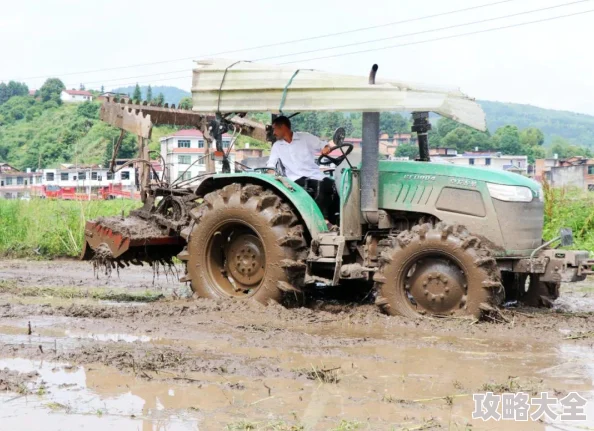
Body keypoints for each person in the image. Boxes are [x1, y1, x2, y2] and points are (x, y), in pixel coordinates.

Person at [266, 116, 336, 224]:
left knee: (332, 185)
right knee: (319, 186)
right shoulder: (277, 146)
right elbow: (271, 165)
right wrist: (271, 173)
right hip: (295, 179)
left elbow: (323, 146)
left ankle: (334, 219)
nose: (273, 133)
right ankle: (321, 221)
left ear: (283, 127)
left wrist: (326, 148)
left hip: (314, 175)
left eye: (275, 129)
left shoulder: (305, 137)